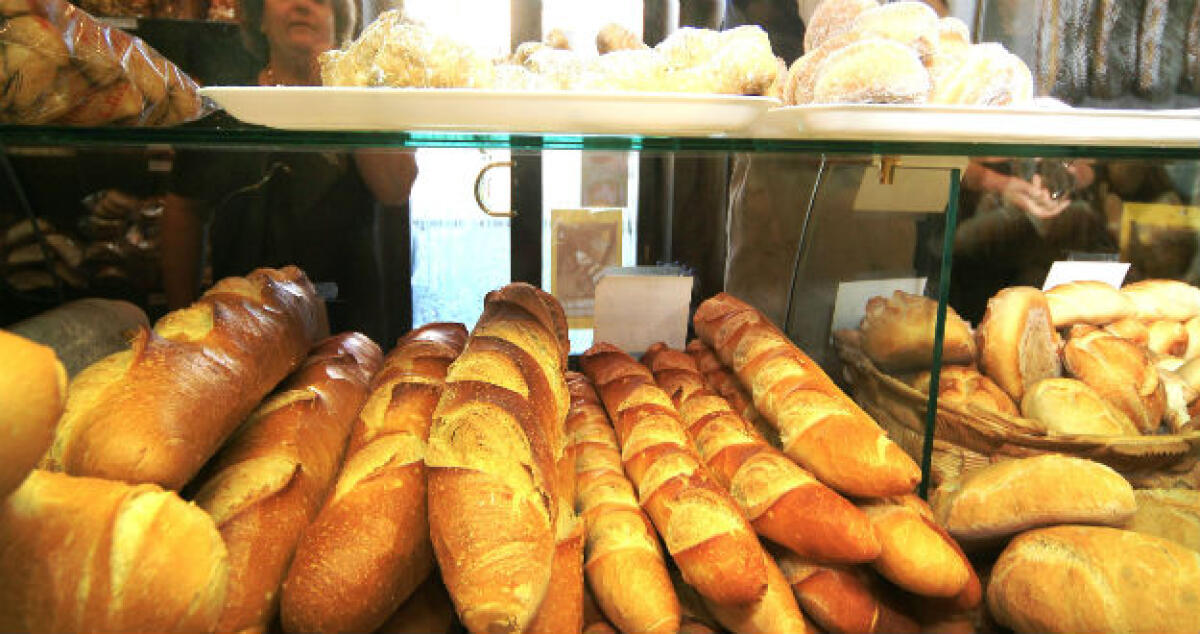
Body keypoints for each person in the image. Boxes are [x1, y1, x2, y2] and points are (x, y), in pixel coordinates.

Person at [162, 0, 418, 345]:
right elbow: (184, 209)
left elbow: (395, 188)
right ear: (260, 18)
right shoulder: (229, 103)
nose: (301, 5)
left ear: (338, 20)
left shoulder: (367, 96)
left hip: (349, 329)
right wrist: (180, 327)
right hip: (239, 327)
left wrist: (346, 93)